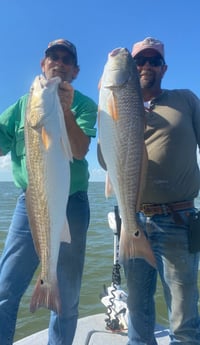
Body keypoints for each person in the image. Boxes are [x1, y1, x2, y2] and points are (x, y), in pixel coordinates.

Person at [0, 38, 97, 345]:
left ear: (76, 71)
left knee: (66, 297)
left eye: (66, 59)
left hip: (73, 205)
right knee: (4, 288)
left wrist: (66, 113)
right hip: (29, 203)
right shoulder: (22, 106)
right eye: (52, 57)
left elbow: (80, 150)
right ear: (43, 65)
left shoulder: (83, 104)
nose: (59, 62)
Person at [123, 37, 200, 345]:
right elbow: (105, 158)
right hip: (134, 220)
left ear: (164, 68)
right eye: (140, 61)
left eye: (153, 61)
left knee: (183, 319)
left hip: (178, 219)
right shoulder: (119, 105)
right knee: (138, 314)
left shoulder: (185, 99)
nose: (146, 66)